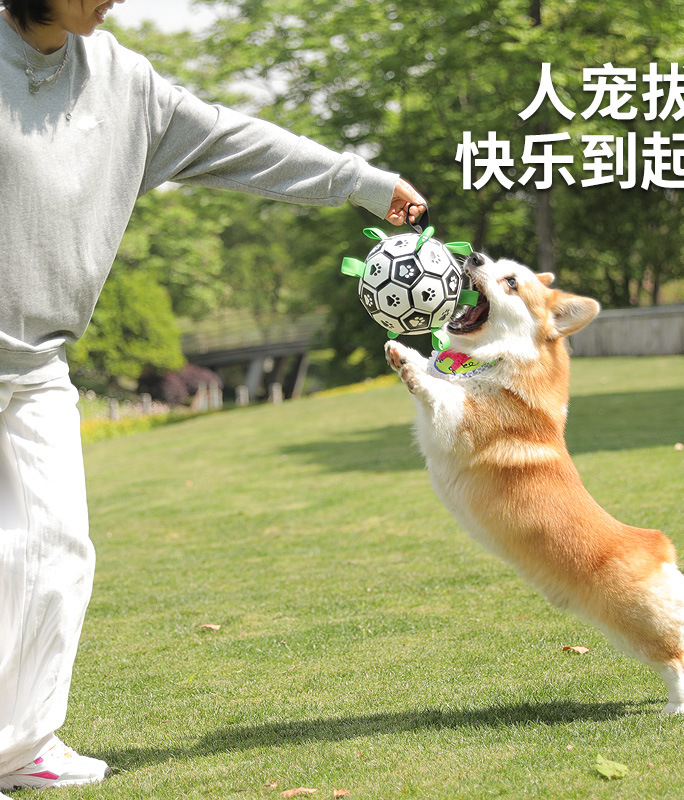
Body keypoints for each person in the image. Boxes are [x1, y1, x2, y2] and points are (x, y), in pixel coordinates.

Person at [0, 0, 426, 793]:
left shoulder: (124, 83)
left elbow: (236, 141)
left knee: (57, 554)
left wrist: (362, 182)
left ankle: (20, 745)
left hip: (36, 367)